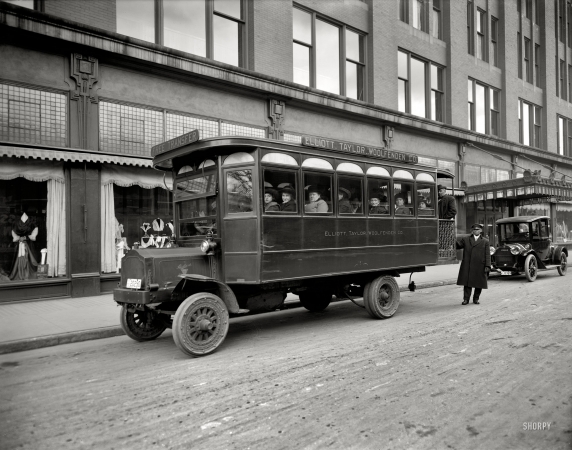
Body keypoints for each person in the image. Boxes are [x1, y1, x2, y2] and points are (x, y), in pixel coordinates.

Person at [456, 223, 491, 305]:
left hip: (480, 265)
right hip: (468, 265)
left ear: (481, 230)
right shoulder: (466, 239)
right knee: (467, 284)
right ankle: (466, 299)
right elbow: (458, 245)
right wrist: (451, 239)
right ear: (472, 231)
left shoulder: (485, 241)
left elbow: (487, 254)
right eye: (474, 230)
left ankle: (476, 299)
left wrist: (487, 265)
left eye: (478, 229)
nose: (476, 231)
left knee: (479, 283)